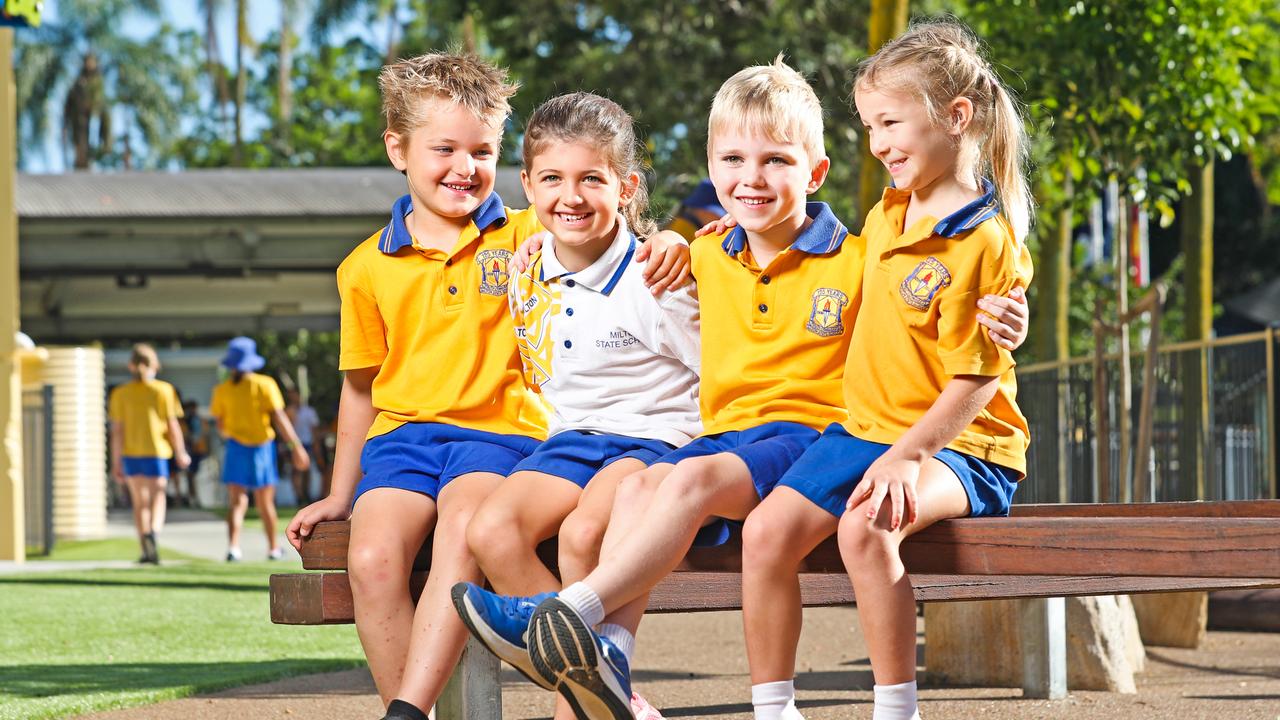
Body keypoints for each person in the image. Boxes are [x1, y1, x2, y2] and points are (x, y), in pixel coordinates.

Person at [451, 56, 1030, 720]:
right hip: (740, 437)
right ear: (711, 168)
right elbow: (599, 239)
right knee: (638, 487)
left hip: (813, 437)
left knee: (689, 484)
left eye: (776, 162)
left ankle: (573, 614)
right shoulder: (715, 250)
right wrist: (652, 238)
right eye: (731, 161)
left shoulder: (857, 250)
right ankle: (609, 656)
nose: (751, 179)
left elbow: (952, 294)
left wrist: (1015, 315)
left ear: (814, 173)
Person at [281, 52, 690, 720]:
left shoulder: (531, 227)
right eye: (444, 148)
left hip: (502, 436)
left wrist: (672, 238)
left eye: (483, 151)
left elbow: (606, 226)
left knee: (465, 531)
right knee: (373, 559)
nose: (464, 167)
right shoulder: (363, 268)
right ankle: (410, 707)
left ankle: (406, 712)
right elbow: (360, 390)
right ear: (397, 149)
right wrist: (338, 491)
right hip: (402, 441)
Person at [454, 92, 700, 720]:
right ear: (527, 188)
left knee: (584, 535)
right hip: (571, 439)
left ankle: (588, 703)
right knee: (490, 529)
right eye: (553, 179)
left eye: (592, 178)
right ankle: (608, 690)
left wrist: (685, 240)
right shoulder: (527, 264)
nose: (571, 196)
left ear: (627, 188)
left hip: (655, 438)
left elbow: (721, 375)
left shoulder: (658, 277)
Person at [817, 21, 1033, 720]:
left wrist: (908, 458)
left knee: (866, 525)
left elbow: (975, 385)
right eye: (868, 125)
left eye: (890, 122)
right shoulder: (889, 212)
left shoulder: (984, 241)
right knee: (774, 519)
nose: (877, 142)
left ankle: (895, 708)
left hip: (966, 449)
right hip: (882, 435)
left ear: (956, 117)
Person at [210, 336, 309, 562]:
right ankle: (273, 548)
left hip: (236, 448)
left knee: (237, 502)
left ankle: (233, 548)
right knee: (265, 502)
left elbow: (220, 425)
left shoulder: (222, 390)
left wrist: (234, 433)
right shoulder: (265, 384)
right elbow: (279, 418)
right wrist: (296, 447)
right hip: (261, 449)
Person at [108, 343, 190, 564]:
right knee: (158, 496)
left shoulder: (120, 393)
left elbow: (117, 431)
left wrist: (115, 462)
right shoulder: (164, 390)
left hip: (131, 454)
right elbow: (173, 426)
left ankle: (145, 546)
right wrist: (181, 452)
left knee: (139, 502)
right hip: (157, 452)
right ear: (154, 364)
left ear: (130, 365)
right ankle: (153, 531)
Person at [285, 388, 321, 505]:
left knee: (307, 471)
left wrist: (316, 445)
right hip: (294, 444)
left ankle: (306, 494)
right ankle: (299, 495)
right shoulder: (288, 412)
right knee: (296, 471)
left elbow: (314, 430)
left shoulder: (309, 412)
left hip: (307, 443)